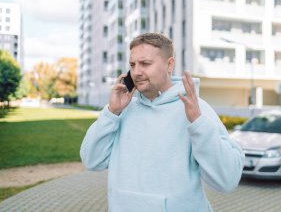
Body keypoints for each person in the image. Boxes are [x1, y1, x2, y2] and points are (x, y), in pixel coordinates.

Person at [80, 33, 244, 212]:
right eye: (133, 65)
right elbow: (91, 160)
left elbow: (227, 179)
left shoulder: (195, 109)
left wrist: (198, 122)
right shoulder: (122, 109)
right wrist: (111, 113)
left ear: (169, 64)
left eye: (145, 64)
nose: (136, 72)